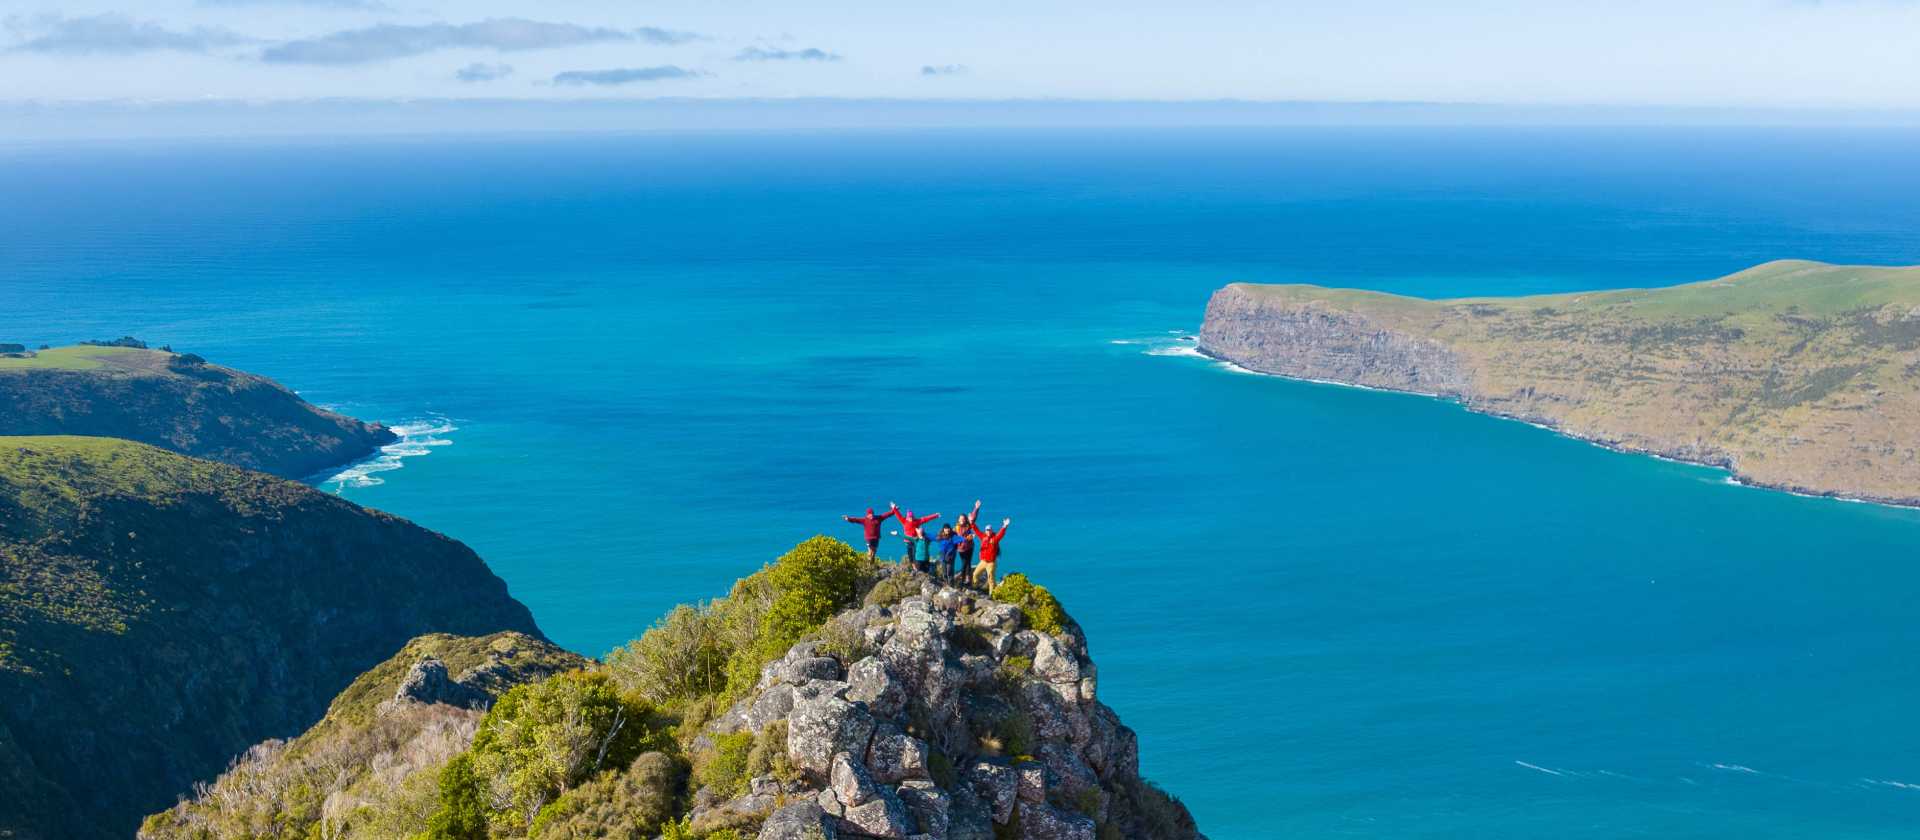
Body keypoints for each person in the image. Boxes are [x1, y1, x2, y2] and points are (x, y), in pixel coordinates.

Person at [970, 517, 1011, 594]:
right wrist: (972, 522)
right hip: (983, 561)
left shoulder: (995, 538)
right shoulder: (983, 536)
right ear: (985, 531)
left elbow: (1001, 534)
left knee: (990, 578)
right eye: (987, 530)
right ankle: (975, 587)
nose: (988, 531)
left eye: (989, 530)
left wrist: (1004, 526)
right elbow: (976, 530)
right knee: (975, 574)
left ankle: (991, 594)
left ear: (992, 531)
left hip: (991, 563)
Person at [892, 503, 941, 568]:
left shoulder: (917, 521)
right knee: (910, 556)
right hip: (907, 542)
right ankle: (914, 567)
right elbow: (898, 515)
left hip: (915, 541)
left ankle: (917, 567)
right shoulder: (904, 521)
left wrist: (935, 515)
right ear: (907, 517)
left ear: (913, 516)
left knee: (914, 554)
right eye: (909, 517)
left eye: (912, 517)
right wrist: (894, 508)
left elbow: (926, 519)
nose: (911, 518)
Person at [954, 499, 983, 583]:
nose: (962, 520)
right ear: (958, 520)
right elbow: (952, 537)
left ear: (965, 519)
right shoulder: (956, 528)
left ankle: (967, 579)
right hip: (961, 549)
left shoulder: (968, 525)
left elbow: (973, 519)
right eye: (961, 519)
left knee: (968, 562)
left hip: (969, 547)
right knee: (964, 563)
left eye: (963, 519)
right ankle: (963, 579)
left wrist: (976, 508)